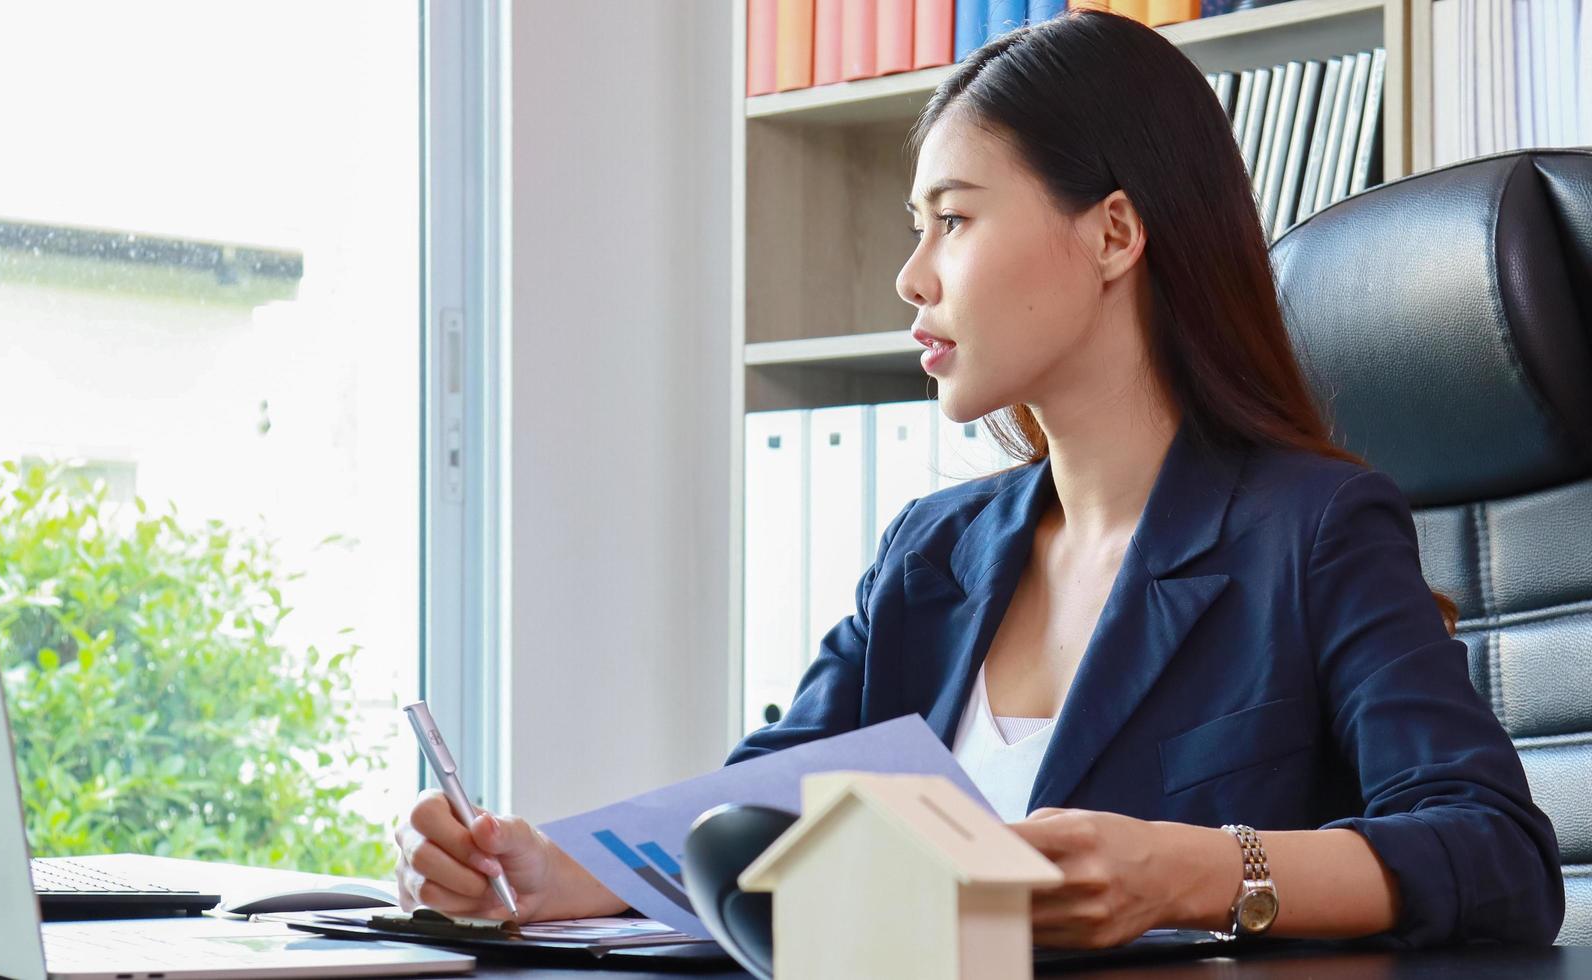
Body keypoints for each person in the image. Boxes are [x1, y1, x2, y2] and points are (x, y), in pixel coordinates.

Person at [394, 10, 1564, 948]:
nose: (909, 276)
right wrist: (557, 869)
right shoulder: (932, 550)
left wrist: (1196, 871)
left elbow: (1497, 850)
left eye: (952, 220)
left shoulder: (1308, 528)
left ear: (1113, 234)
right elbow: (755, 821)